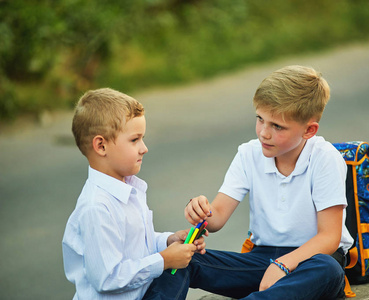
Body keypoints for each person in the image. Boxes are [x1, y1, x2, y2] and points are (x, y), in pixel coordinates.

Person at [182, 65, 354, 299]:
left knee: (328, 270)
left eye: (277, 126)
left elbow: (329, 238)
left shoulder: (325, 158)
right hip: (261, 261)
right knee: (180, 258)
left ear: (309, 130)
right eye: (260, 119)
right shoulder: (248, 154)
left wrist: (284, 265)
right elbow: (217, 216)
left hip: (311, 262)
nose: (263, 133)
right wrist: (201, 210)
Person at [62, 88, 206, 300]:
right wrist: (164, 260)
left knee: (190, 263)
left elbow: (136, 246)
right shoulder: (96, 208)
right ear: (101, 146)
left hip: (144, 292)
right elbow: (107, 278)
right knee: (181, 269)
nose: (144, 148)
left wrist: (169, 241)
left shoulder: (128, 188)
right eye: (134, 140)